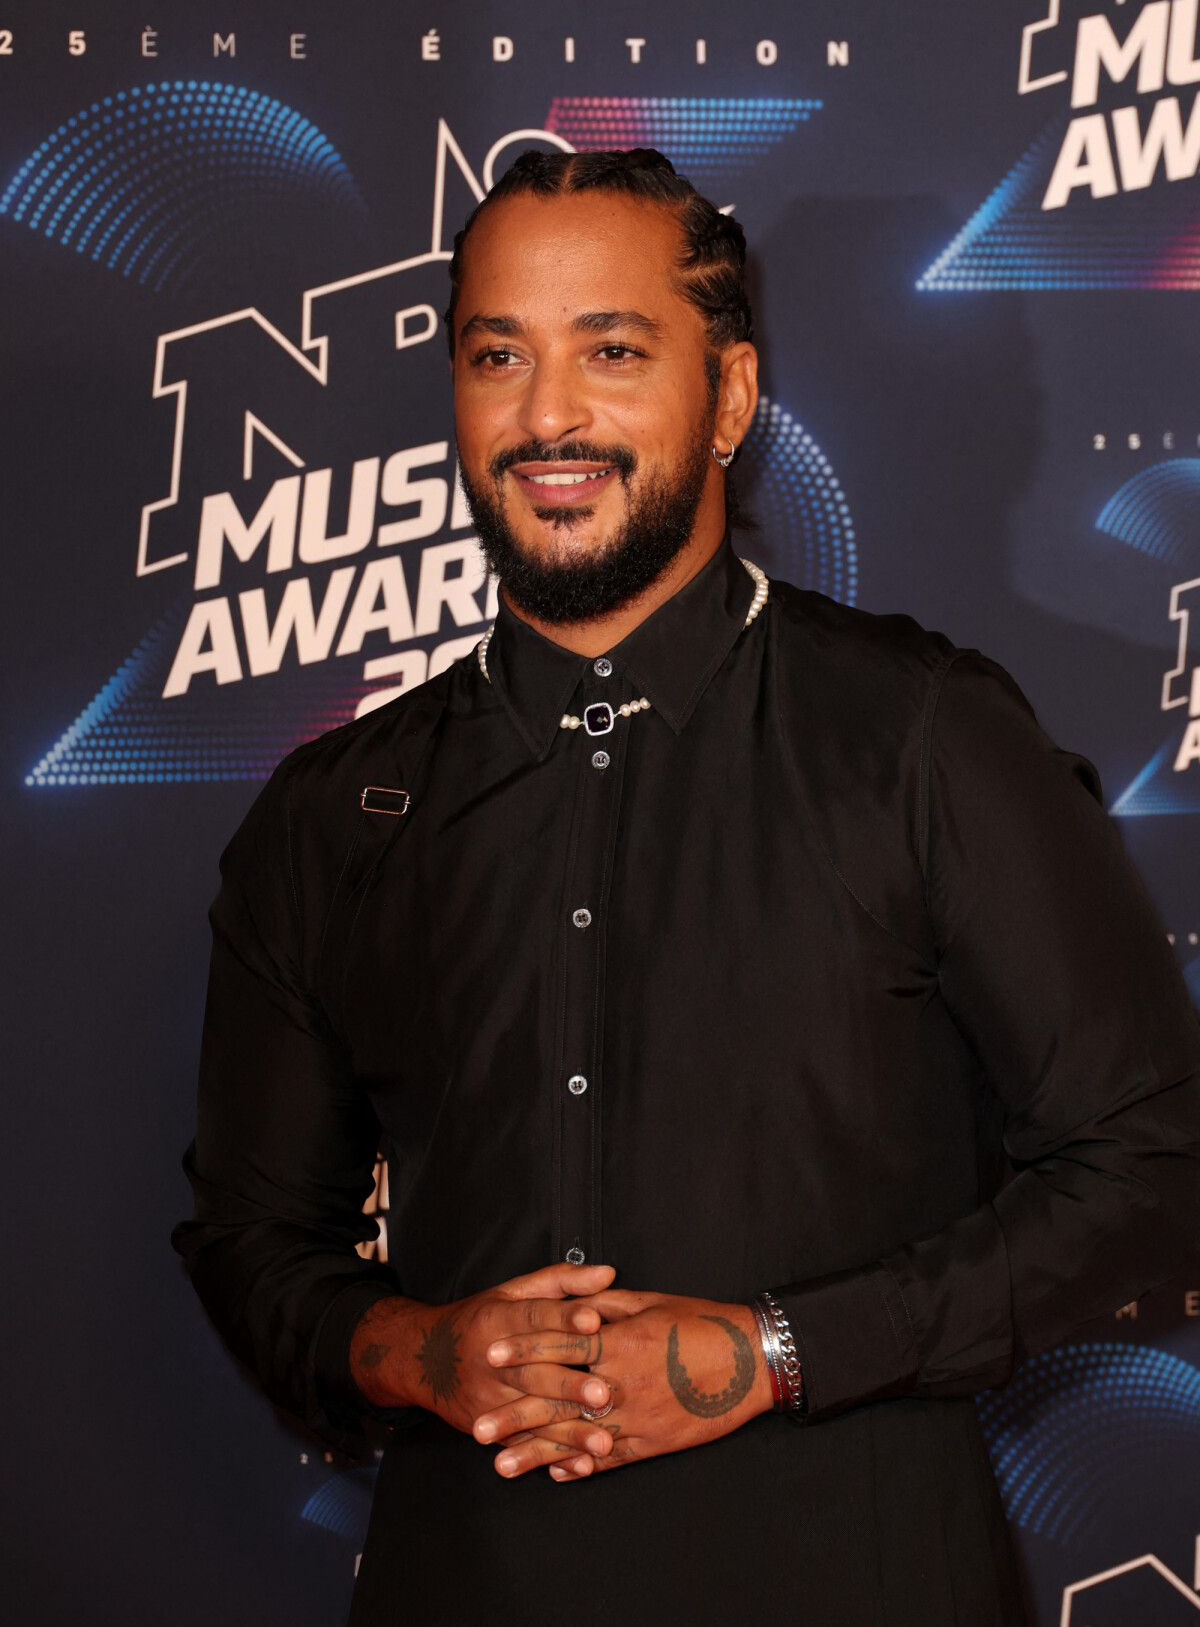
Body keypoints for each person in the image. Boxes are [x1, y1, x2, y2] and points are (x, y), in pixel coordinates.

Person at [173, 148, 1200, 1626]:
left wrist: (776, 1352)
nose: (548, 417)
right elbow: (251, 1245)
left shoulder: (923, 737)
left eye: (612, 349)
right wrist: (417, 1352)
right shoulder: (333, 814)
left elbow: (1151, 1167)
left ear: (726, 399)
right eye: (497, 356)